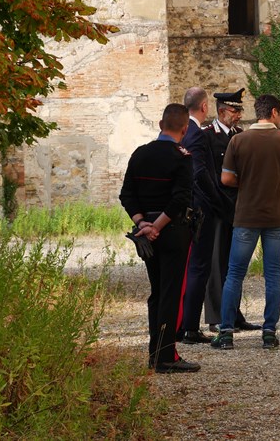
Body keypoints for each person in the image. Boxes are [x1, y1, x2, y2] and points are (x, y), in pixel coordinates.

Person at [118, 103, 200, 373]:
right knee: (171, 293)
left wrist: (143, 223)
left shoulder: (140, 154)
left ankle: (156, 353)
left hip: (146, 235)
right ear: (185, 129)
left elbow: (126, 195)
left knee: (157, 292)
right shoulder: (182, 156)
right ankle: (166, 356)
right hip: (173, 230)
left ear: (159, 124)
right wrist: (158, 226)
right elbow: (180, 198)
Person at [211, 94, 280, 350]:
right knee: (273, 274)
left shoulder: (238, 140)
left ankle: (225, 332)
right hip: (276, 214)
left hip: (246, 214)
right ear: (273, 112)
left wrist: (246, 182)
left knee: (235, 273)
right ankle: (269, 331)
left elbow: (226, 179)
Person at [202, 88, 261, 333]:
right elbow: (207, 175)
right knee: (217, 264)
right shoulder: (208, 136)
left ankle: (234, 313)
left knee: (235, 264)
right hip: (217, 209)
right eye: (236, 111)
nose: (238, 115)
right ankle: (216, 317)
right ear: (223, 111)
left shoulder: (240, 135)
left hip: (239, 207)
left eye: (239, 111)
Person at [178, 87, 226, 344]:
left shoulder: (180, 130)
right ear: (205, 107)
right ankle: (190, 327)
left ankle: (182, 324)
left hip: (181, 208)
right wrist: (216, 201)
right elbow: (199, 173)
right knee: (199, 267)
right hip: (199, 209)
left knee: (187, 267)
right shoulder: (195, 134)